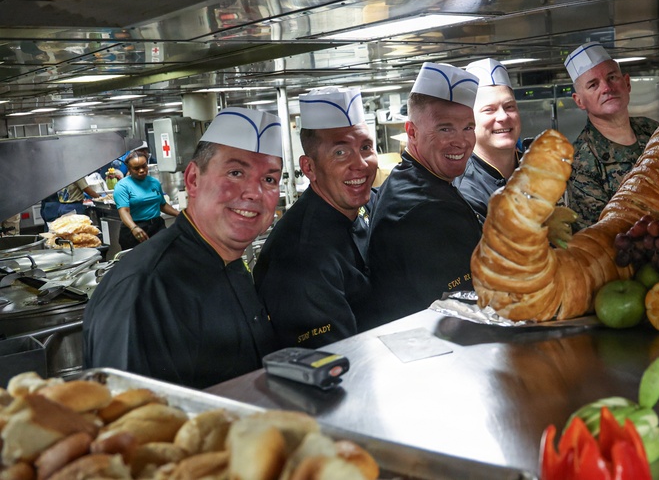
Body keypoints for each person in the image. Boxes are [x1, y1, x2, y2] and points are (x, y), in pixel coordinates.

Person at [83, 108, 282, 389]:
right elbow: (130, 420)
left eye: (270, 179)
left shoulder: (232, 265)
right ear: (192, 180)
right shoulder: (144, 288)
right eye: (236, 172)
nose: (254, 193)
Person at [357, 62, 481, 331]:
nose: (461, 141)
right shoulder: (426, 210)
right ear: (411, 132)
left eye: (468, 128)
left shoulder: (417, 181)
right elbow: (464, 310)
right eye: (445, 128)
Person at [254, 87, 378, 348]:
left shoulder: (365, 207)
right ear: (309, 168)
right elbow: (332, 360)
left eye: (366, 147)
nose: (362, 164)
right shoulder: (299, 258)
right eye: (340, 152)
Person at [564, 43, 659, 230]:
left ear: (627, 83)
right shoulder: (580, 162)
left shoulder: (655, 131)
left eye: (612, 77)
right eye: (593, 85)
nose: (607, 88)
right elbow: (604, 233)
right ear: (579, 101)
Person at [456, 58, 522, 222]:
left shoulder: (538, 168)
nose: (503, 117)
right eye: (489, 110)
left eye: (509, 107)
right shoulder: (465, 192)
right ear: (469, 120)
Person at [113, 152, 180, 250]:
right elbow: (124, 211)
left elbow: (162, 204)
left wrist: (179, 214)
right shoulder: (123, 186)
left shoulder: (154, 182)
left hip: (157, 227)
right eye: (136, 168)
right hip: (135, 229)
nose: (142, 170)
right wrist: (134, 228)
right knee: (139, 262)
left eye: (144, 166)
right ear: (129, 169)